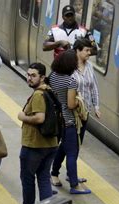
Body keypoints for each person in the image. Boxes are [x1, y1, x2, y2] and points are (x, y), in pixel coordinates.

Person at [49, 50, 91, 194]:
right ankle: (74, 185)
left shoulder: (52, 76)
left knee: (63, 147)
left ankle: (54, 172)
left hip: (58, 119)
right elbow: (71, 104)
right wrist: (80, 103)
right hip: (69, 121)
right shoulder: (70, 81)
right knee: (72, 153)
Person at [18, 63, 58, 204]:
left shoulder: (38, 95)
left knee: (27, 179)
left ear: (42, 77)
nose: (29, 78)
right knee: (43, 178)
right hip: (51, 144)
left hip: (34, 145)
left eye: (33, 75)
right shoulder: (49, 90)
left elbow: (39, 118)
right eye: (28, 75)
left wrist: (22, 117)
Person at [72, 38, 100, 144]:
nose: (89, 53)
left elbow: (94, 87)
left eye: (90, 50)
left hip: (84, 112)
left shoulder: (89, 66)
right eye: (87, 50)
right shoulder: (70, 66)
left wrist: (96, 106)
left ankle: (58, 161)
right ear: (78, 51)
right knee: (71, 144)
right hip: (71, 112)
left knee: (78, 143)